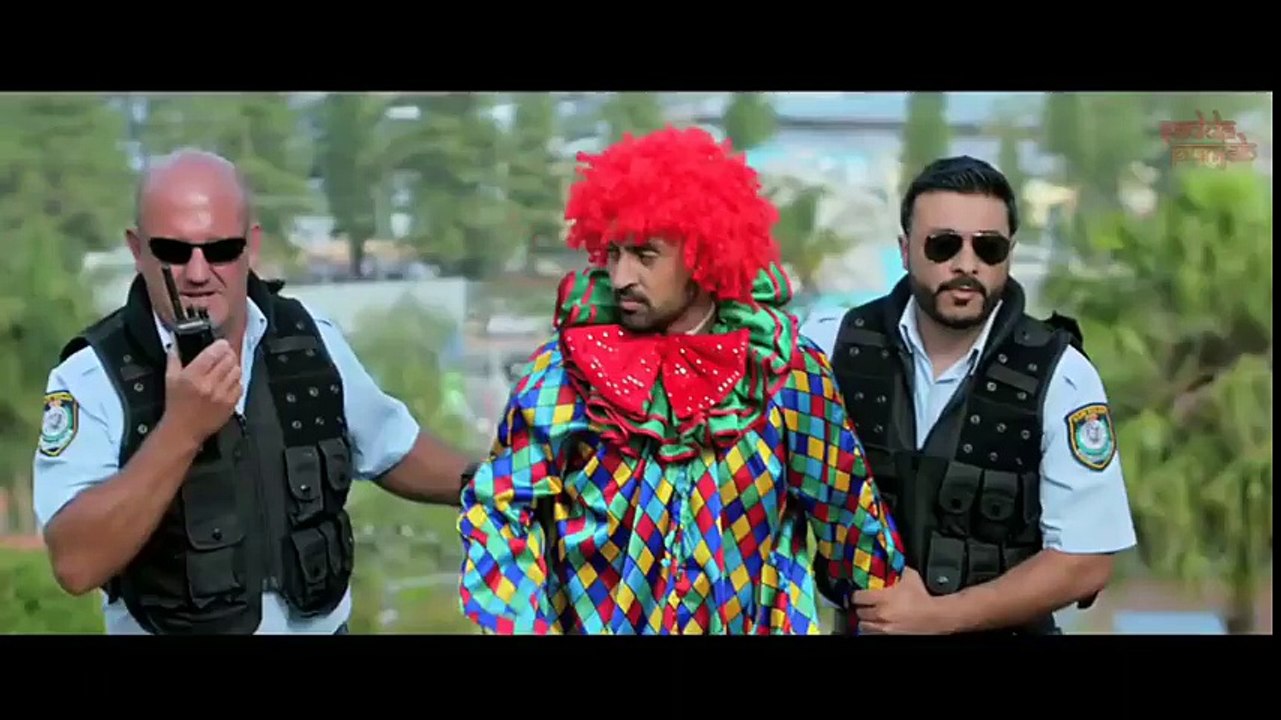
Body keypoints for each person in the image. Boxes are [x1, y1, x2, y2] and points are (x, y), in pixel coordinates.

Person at [456, 126, 905, 635]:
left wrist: (890, 605)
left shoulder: (786, 374)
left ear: (702, 254)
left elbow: (851, 525)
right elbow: (498, 510)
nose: (621, 277)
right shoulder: (563, 374)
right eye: (613, 253)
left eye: (645, 256)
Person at [32, 149, 473, 635]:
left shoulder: (308, 339)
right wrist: (181, 430)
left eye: (220, 249)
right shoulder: (92, 378)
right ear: (138, 250)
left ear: (252, 246)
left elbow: (392, 448)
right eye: (173, 251)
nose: (197, 273)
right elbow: (75, 563)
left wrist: (506, 486)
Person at [800, 156, 1137, 635]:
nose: (966, 263)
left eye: (988, 247)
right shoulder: (829, 347)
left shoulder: (1061, 375)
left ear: (1010, 254)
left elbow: (1086, 560)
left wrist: (936, 618)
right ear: (904, 250)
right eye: (943, 245)